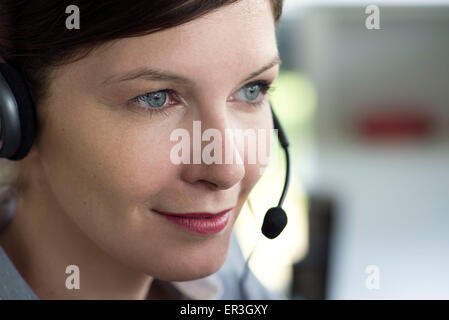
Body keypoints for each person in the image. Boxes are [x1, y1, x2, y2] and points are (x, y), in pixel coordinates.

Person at [0, 0, 287, 299]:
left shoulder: (230, 282)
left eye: (252, 89)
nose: (228, 170)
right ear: (12, 116)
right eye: (156, 98)